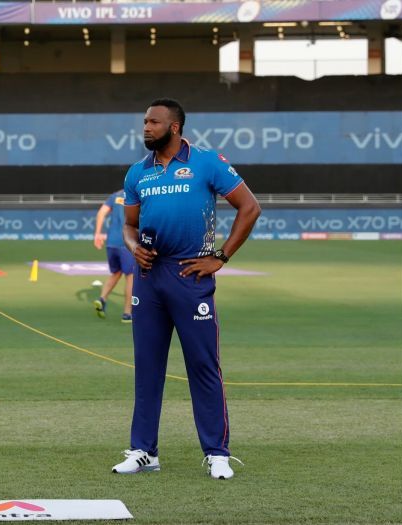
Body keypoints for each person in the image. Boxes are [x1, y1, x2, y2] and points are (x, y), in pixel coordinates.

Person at [113, 98, 260, 480]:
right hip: (150, 278)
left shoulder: (207, 162)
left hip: (192, 275)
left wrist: (221, 257)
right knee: (147, 368)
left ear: (174, 127)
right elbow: (128, 227)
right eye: (144, 121)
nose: (146, 127)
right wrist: (133, 248)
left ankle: (217, 453)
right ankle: (144, 450)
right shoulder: (137, 173)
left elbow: (250, 207)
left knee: (203, 367)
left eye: (153, 122)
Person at [93, 190, 135, 323]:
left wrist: (97, 234)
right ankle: (127, 313)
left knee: (116, 272)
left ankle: (102, 299)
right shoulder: (137, 194)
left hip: (112, 242)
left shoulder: (115, 196)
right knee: (130, 276)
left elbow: (101, 213)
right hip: (127, 241)